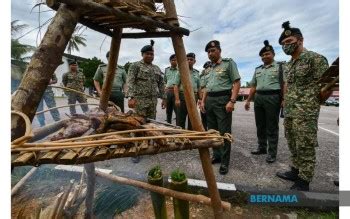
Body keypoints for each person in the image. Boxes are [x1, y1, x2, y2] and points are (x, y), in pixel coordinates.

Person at [275, 21, 330, 191]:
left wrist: (316, 102)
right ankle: (296, 170)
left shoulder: (316, 59)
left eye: (289, 42)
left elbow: (327, 85)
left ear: (300, 40)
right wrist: (285, 101)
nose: (286, 46)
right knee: (292, 141)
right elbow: (287, 85)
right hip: (290, 109)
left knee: (305, 143)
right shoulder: (289, 64)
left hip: (306, 111)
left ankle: (304, 180)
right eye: (284, 44)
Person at [199, 40, 241, 175]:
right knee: (212, 131)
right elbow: (206, 87)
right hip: (210, 100)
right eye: (208, 52)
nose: (210, 54)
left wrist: (232, 101)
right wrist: (203, 102)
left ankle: (224, 161)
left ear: (219, 51)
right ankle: (216, 155)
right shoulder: (209, 68)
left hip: (223, 100)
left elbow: (236, 82)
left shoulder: (228, 63)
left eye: (213, 51)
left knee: (224, 132)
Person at [244, 40, 285, 163]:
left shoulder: (280, 67)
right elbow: (253, 86)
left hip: (273, 97)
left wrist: (284, 99)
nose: (264, 56)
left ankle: (272, 153)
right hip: (259, 98)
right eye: (262, 55)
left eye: (267, 54)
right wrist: (248, 100)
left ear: (273, 54)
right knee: (260, 125)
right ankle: (262, 147)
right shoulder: (258, 69)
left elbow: (284, 84)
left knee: (272, 126)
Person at [126, 40, 166, 163]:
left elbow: (161, 84)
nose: (150, 56)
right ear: (142, 54)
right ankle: (136, 150)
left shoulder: (156, 68)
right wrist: (131, 97)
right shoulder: (135, 66)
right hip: (140, 100)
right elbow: (130, 81)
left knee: (150, 124)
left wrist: (164, 98)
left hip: (152, 101)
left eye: (151, 54)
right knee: (138, 124)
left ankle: (148, 145)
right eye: (147, 53)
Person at [174, 52, 200, 130]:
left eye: (191, 59)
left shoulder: (197, 73)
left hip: (194, 97)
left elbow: (199, 87)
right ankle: (180, 137)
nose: (189, 61)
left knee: (192, 118)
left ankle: (190, 137)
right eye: (187, 59)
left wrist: (200, 99)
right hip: (182, 96)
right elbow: (176, 86)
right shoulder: (180, 71)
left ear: (194, 61)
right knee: (180, 119)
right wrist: (177, 99)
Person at [164, 54, 178, 123]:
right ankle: (168, 125)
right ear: (170, 61)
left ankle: (178, 127)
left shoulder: (180, 70)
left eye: (175, 60)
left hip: (177, 93)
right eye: (172, 60)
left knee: (178, 111)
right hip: (168, 92)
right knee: (168, 111)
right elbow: (165, 81)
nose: (174, 61)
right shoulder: (167, 70)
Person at [198, 61, 211, 130]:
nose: (207, 69)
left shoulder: (213, 75)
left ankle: (211, 130)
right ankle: (204, 130)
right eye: (206, 68)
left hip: (210, 96)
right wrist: (200, 99)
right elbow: (199, 88)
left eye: (209, 67)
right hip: (202, 96)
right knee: (203, 114)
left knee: (210, 116)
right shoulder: (202, 76)